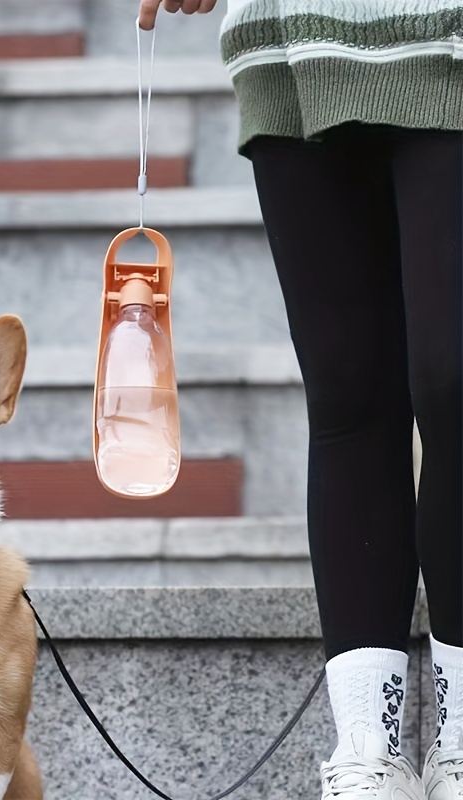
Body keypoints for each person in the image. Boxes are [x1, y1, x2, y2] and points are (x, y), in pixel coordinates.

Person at [138, 1, 463, 798]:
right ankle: (369, 748)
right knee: (349, 394)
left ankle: (460, 740)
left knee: (455, 382)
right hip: (292, 36)